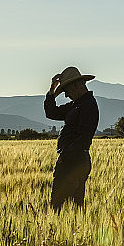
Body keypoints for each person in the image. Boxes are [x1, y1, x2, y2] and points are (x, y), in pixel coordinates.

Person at [44, 66, 99, 211]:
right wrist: (51, 91)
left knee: (57, 207)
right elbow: (51, 113)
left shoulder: (88, 106)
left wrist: (65, 157)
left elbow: (84, 138)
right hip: (74, 161)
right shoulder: (77, 105)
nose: (67, 95)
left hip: (73, 162)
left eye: (67, 91)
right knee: (74, 208)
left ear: (77, 85)